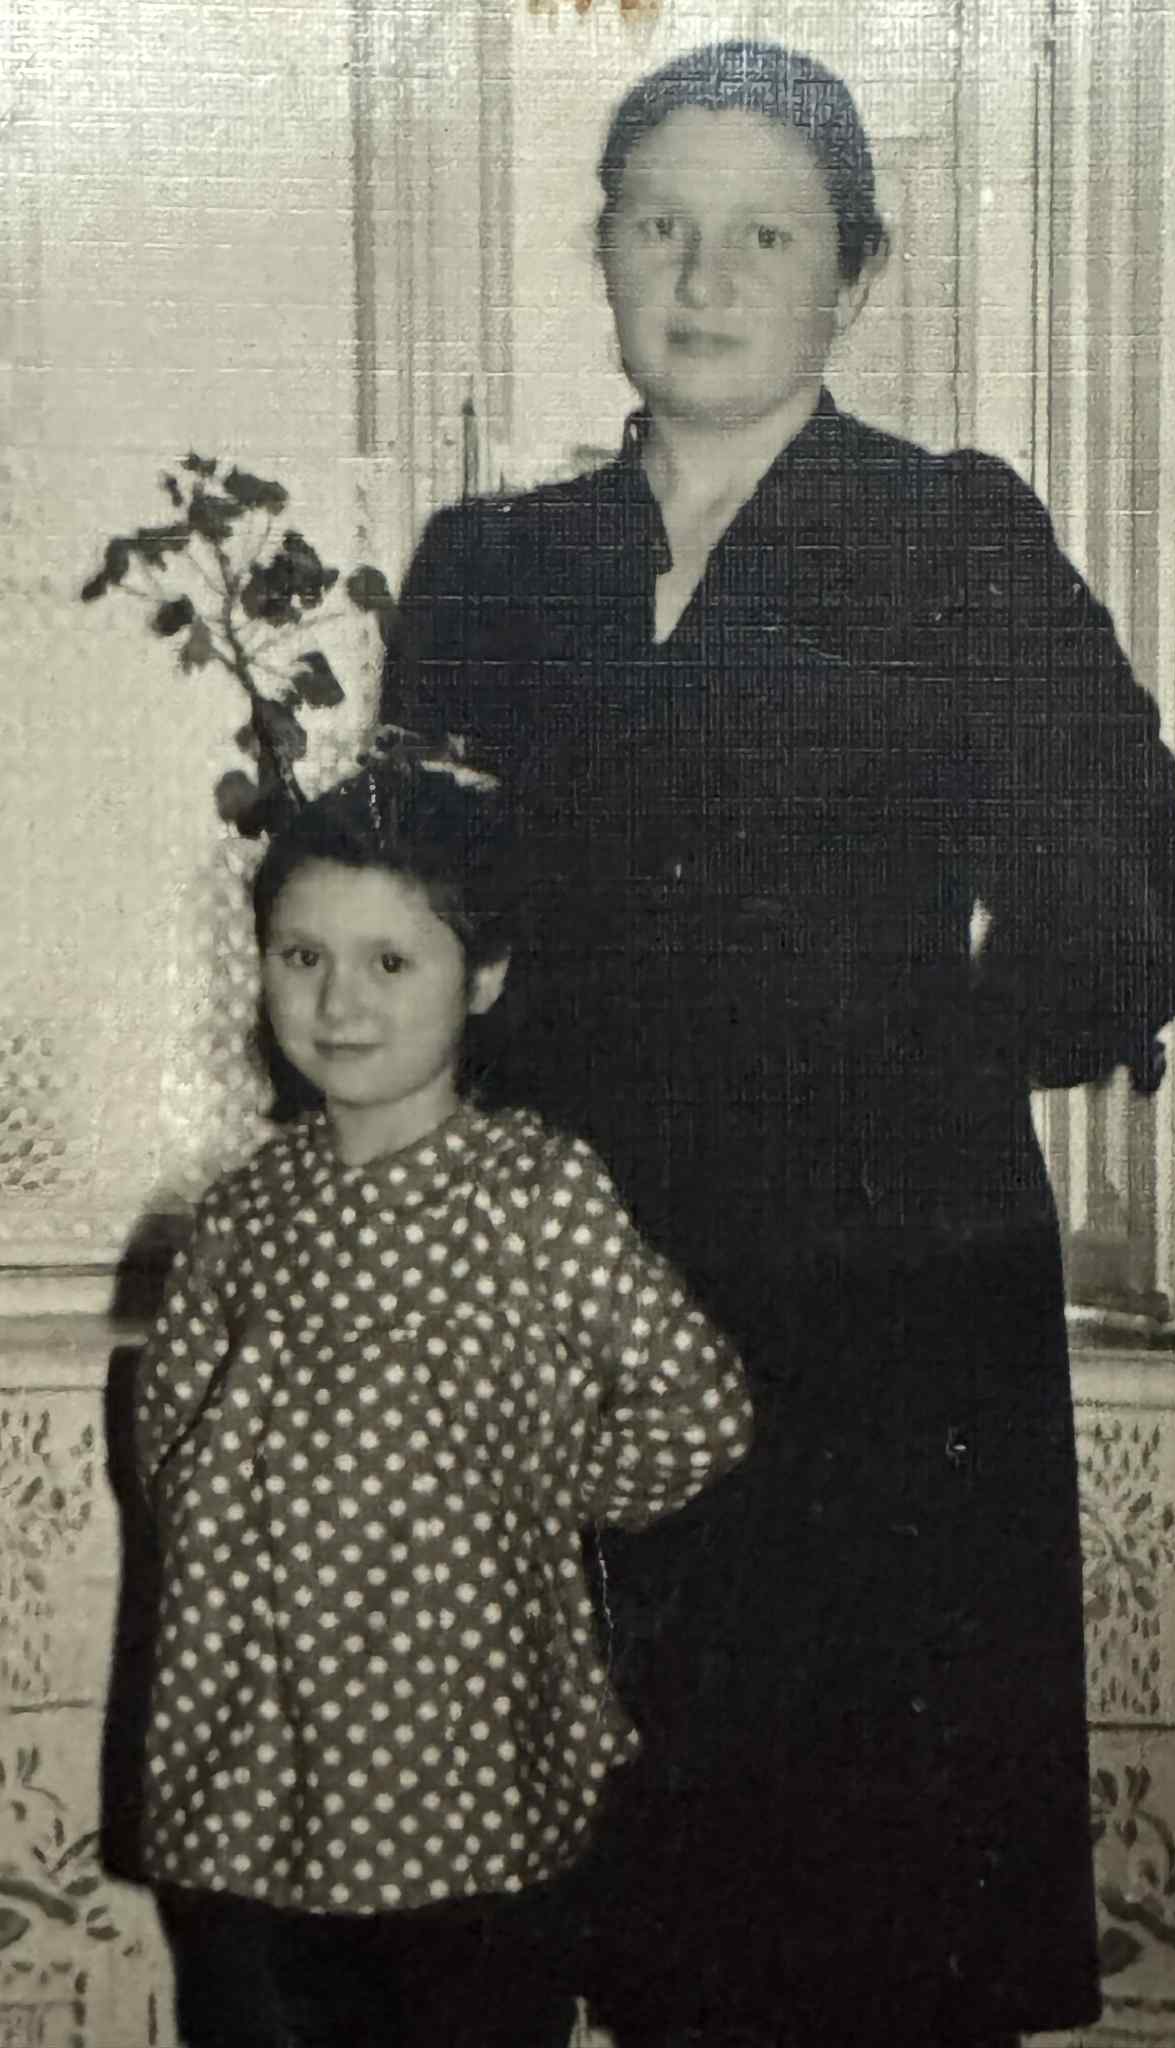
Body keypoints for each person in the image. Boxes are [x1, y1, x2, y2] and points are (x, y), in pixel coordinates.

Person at [380, 37, 1175, 2048]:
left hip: (874, 1350)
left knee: (854, 1938)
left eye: (765, 234)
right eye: (660, 224)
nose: (704, 275)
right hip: (565, 1328)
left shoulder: (950, 538)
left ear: (856, 272)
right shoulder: (493, 570)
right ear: (602, 251)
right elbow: (402, 944)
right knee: (564, 1927)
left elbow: (1145, 910)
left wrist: (897, 1055)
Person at [132, 757, 753, 2048]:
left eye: (389, 962)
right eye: (302, 956)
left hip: (464, 1770)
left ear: (485, 977)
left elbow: (699, 1407)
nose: (338, 1002)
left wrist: (549, 1486)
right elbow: (167, 1434)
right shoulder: (242, 1214)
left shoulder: (533, 1193)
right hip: (255, 1774)